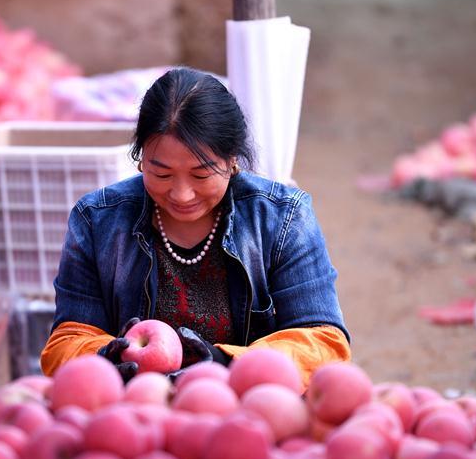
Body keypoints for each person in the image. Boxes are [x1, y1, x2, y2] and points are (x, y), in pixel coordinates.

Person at [40, 67, 351, 388]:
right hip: (135, 407)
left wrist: (227, 362)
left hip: (251, 404)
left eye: (201, 175)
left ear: (232, 160)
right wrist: (107, 357)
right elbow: (66, 342)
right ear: (140, 158)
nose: (182, 194)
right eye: (161, 174)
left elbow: (324, 342)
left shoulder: (282, 217)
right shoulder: (97, 219)